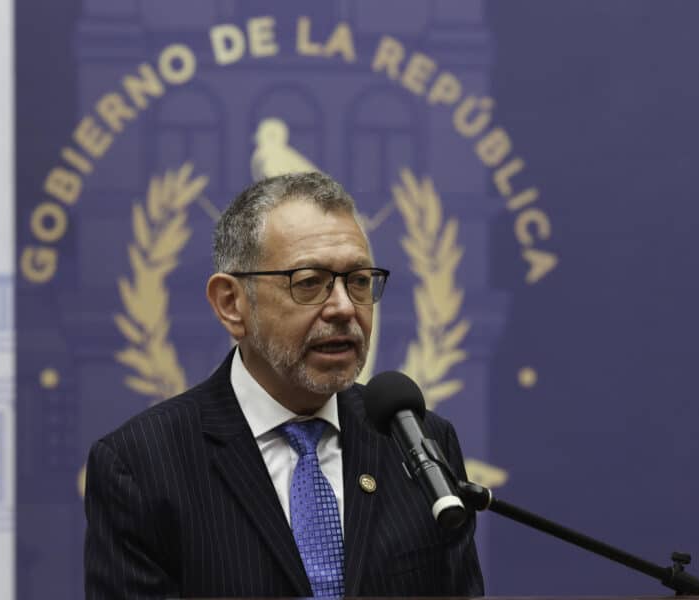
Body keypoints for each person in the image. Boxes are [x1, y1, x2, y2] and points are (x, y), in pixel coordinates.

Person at [84, 172, 484, 598]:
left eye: (360, 281)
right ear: (231, 304)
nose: (345, 308)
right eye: (309, 283)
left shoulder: (418, 441)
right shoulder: (141, 466)